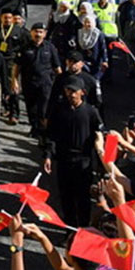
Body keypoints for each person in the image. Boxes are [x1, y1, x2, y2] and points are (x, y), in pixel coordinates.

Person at [43, 75, 103, 227]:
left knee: (83, 198)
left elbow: (100, 136)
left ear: (82, 92)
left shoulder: (91, 112)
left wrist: (101, 161)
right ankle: (69, 229)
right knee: (65, 197)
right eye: (68, 90)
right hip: (64, 160)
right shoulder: (59, 110)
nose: (70, 94)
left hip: (84, 162)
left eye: (74, 91)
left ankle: (83, 228)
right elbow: (51, 135)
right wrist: (48, 155)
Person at [16, 22, 62, 138]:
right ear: (31, 33)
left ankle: (43, 131)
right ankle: (34, 127)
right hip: (29, 82)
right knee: (31, 108)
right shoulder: (24, 48)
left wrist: (62, 83)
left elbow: (57, 67)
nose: (38, 34)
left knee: (44, 109)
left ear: (45, 34)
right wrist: (14, 81)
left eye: (41, 32)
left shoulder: (50, 48)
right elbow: (17, 66)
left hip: (45, 83)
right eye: (36, 31)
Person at [0, 7, 26, 126]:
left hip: (12, 62)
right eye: (4, 18)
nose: (7, 20)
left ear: (12, 19)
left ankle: (14, 113)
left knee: (13, 88)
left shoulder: (19, 31)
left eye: (9, 18)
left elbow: (25, 46)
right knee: (1, 86)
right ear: (0, 18)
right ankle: (6, 108)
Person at [76, 14, 108, 83]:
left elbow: (103, 48)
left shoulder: (98, 34)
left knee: (94, 80)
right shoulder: (80, 33)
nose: (87, 24)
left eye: (89, 22)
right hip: (83, 60)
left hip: (96, 60)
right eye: (85, 22)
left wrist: (105, 60)